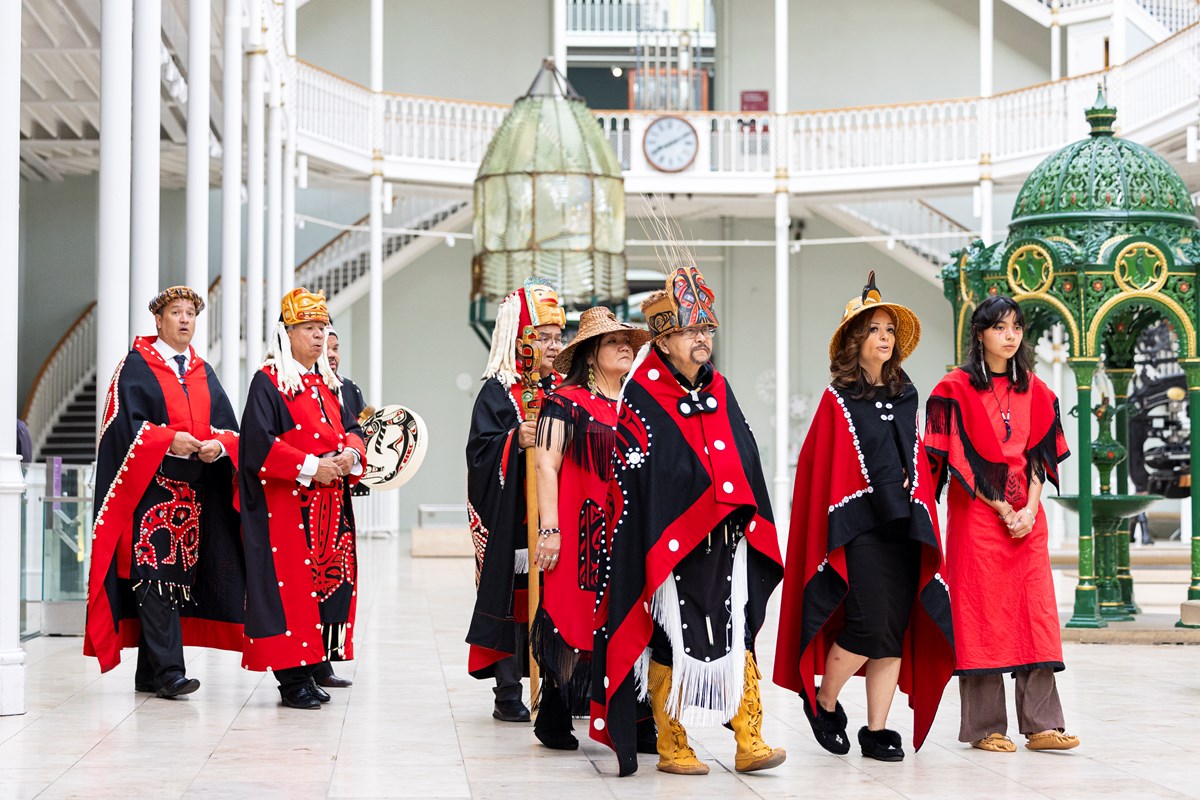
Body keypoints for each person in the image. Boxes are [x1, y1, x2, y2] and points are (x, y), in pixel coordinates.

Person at [591, 265, 786, 777]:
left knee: (735, 628)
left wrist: (739, 506)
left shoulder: (719, 385)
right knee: (668, 634)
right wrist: (691, 500)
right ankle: (673, 743)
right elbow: (639, 471)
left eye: (707, 329)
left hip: (725, 539)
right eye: (690, 330)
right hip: (669, 543)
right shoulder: (641, 394)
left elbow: (742, 449)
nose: (702, 339)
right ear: (664, 338)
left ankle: (750, 738)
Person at [773, 272, 955, 763]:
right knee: (867, 625)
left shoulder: (905, 395)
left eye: (889, 330)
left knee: (892, 632)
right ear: (856, 340)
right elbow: (824, 469)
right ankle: (825, 702)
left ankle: (876, 730)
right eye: (874, 329)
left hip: (904, 526)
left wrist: (918, 501)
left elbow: (915, 457)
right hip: (860, 529)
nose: (884, 337)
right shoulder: (837, 400)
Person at [925, 294, 1077, 753]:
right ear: (980, 334)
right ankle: (985, 727)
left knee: (1037, 612)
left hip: (1028, 520)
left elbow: (1038, 457)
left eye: (1017, 327)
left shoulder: (1037, 388)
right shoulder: (953, 389)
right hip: (977, 516)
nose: (1010, 337)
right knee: (981, 615)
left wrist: (1028, 509)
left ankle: (1043, 724)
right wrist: (1001, 508)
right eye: (1000, 328)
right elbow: (955, 458)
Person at [83, 286, 244, 698]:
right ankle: (171, 672)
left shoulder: (203, 371)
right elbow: (120, 428)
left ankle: (149, 672)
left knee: (171, 580)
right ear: (159, 320)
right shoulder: (136, 367)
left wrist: (219, 445)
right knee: (152, 576)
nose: (186, 319)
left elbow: (229, 427)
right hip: (147, 492)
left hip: (193, 497)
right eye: (177, 312)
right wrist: (167, 440)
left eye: (191, 313)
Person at [239, 287, 367, 709]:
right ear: (287, 333)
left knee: (318, 593)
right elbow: (258, 445)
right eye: (308, 328)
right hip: (288, 511)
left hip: (327, 511)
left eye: (321, 329)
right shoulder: (270, 381)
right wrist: (313, 466)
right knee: (289, 593)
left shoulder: (323, 383)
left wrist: (350, 453)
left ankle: (309, 670)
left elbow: (352, 426)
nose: (317, 336)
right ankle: (290, 680)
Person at [531, 306, 652, 751]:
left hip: (628, 531)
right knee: (571, 614)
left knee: (627, 615)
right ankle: (556, 712)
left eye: (627, 342)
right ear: (590, 354)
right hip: (580, 530)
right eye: (612, 342)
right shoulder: (564, 402)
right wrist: (550, 529)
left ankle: (635, 716)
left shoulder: (637, 402)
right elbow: (546, 463)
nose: (624, 348)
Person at [465, 277, 565, 723]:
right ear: (521, 338)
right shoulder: (497, 391)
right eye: (543, 337)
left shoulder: (566, 388)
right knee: (514, 596)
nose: (553, 345)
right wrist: (514, 440)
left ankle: (562, 688)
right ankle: (508, 691)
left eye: (558, 337)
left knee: (559, 600)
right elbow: (480, 452)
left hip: (560, 512)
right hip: (513, 519)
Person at [310, 326, 366, 691]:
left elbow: (357, 428)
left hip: (338, 499)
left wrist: (353, 451)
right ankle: (307, 662)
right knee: (311, 582)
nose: (332, 354)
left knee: (339, 581)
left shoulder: (347, 389)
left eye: (336, 348)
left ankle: (326, 659)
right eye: (325, 347)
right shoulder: (294, 384)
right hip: (306, 499)